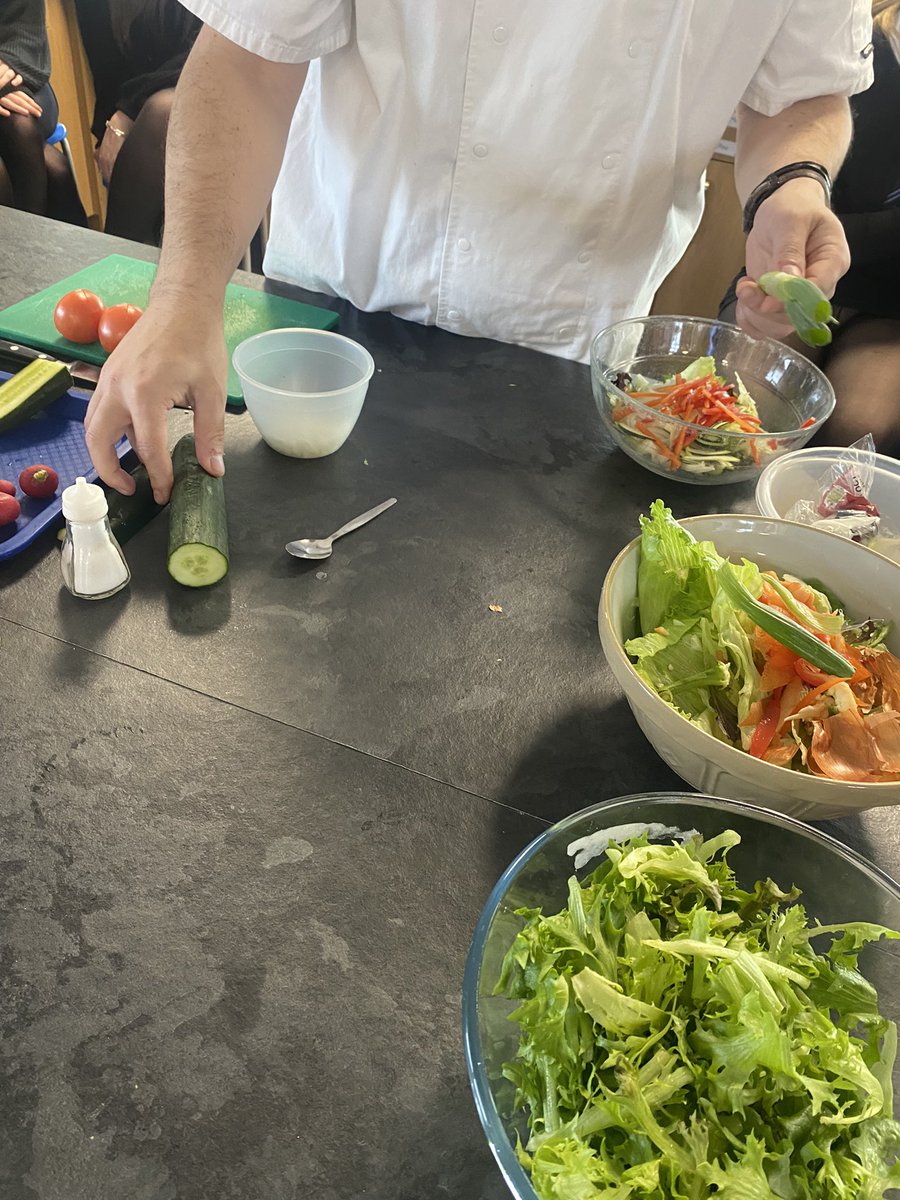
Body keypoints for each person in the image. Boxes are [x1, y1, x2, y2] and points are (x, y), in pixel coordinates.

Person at [84, 0, 875, 505]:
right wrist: (185, 297)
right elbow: (250, 59)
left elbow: (805, 90)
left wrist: (792, 185)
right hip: (335, 315)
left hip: (561, 353)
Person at [721, 0, 900, 456]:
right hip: (797, 267)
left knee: (859, 425)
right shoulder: (859, 42)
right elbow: (781, 123)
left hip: (889, 304)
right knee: (743, 408)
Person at [75, 0, 200, 244]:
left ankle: (122, 262)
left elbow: (207, 55)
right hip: (141, 110)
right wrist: (106, 132)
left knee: (162, 112)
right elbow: (106, 74)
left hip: (219, 90)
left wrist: (127, 112)